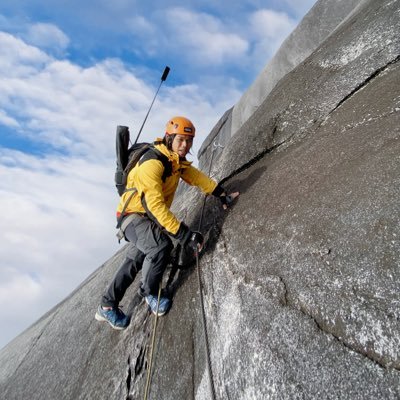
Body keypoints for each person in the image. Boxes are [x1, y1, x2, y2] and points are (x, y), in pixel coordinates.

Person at [95, 116, 239, 330]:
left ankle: (107, 306)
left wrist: (221, 194)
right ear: (169, 137)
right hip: (134, 215)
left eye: (189, 141)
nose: (185, 145)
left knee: (135, 259)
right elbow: (154, 205)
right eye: (181, 140)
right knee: (160, 247)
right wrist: (184, 234)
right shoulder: (153, 163)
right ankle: (150, 294)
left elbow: (198, 178)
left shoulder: (175, 162)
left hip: (144, 218)